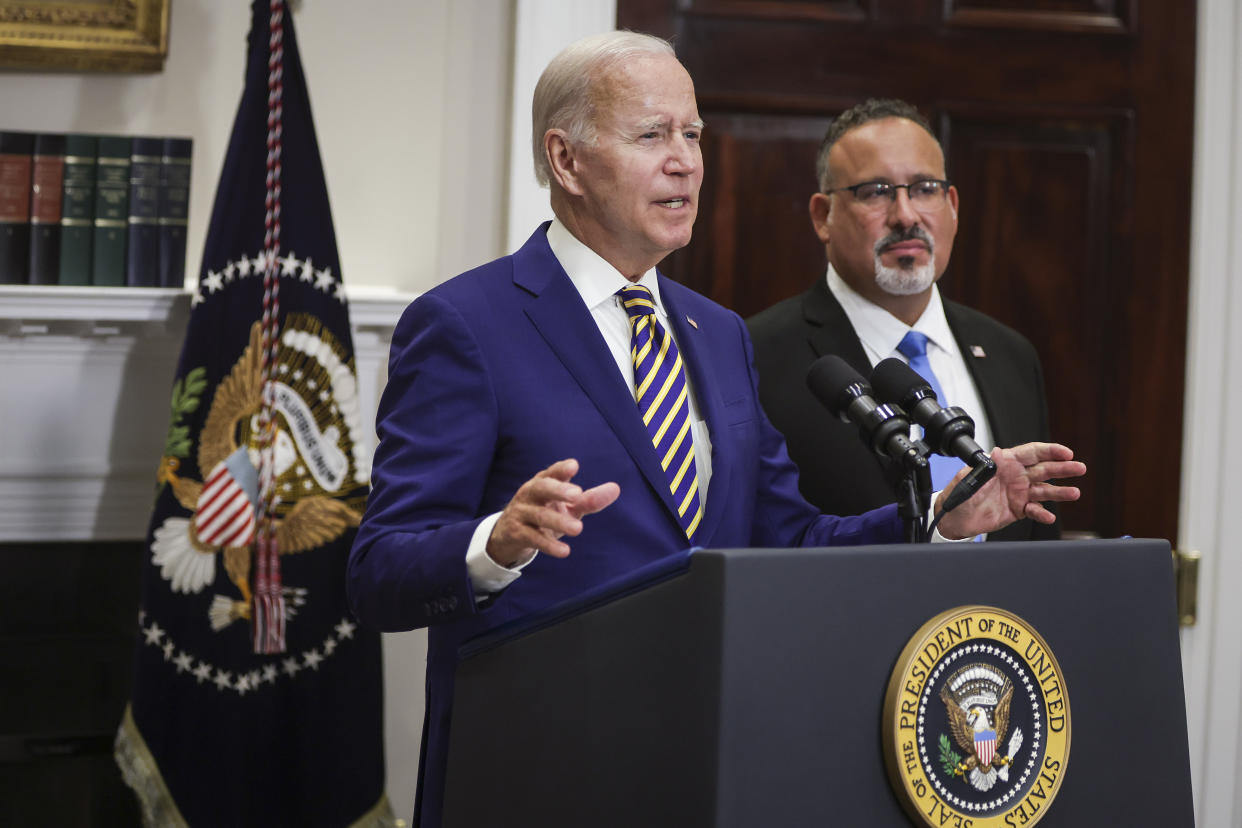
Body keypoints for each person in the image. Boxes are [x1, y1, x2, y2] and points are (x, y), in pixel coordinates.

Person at [347, 38, 1083, 827]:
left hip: (703, 768)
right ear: (565, 160)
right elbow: (377, 570)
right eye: (652, 136)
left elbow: (788, 538)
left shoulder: (716, 333)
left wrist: (937, 519)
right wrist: (494, 543)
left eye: (694, 136)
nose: (686, 163)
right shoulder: (466, 325)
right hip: (537, 772)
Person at [748, 98, 1059, 541]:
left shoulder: (1010, 354)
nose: (906, 216)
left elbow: (1037, 534)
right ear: (823, 216)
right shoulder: (758, 355)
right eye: (875, 192)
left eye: (925, 188)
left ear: (952, 205)